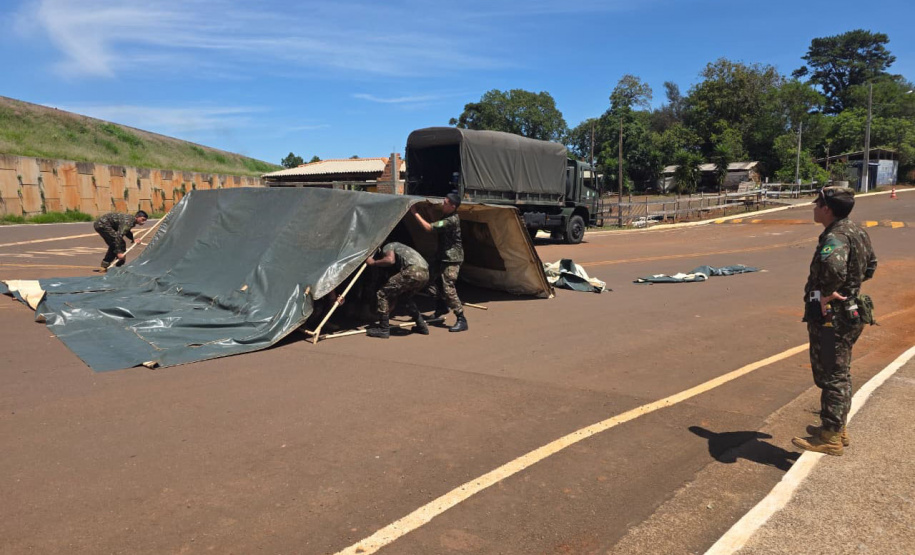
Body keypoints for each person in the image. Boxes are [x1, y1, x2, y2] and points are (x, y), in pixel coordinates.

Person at [792, 187, 877, 456]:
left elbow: (832, 267)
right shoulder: (856, 231)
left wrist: (827, 294)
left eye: (818, 204)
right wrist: (852, 286)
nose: (815, 207)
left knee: (832, 375)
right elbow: (871, 265)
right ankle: (836, 427)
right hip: (850, 311)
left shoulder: (837, 236)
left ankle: (831, 436)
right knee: (839, 371)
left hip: (833, 318)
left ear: (827, 208)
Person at [409, 186, 468, 332]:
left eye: (446, 203)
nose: (443, 204)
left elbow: (430, 228)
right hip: (442, 257)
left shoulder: (452, 220)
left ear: (453, 206)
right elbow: (437, 225)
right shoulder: (447, 217)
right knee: (427, 280)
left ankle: (461, 318)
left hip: (451, 259)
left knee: (448, 288)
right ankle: (441, 305)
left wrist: (415, 213)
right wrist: (429, 212)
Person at [364, 242, 430, 339]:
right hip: (425, 273)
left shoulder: (388, 246)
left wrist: (374, 263)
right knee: (405, 298)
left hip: (412, 271)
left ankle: (384, 329)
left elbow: (390, 260)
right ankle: (421, 325)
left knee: (382, 293)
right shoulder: (401, 247)